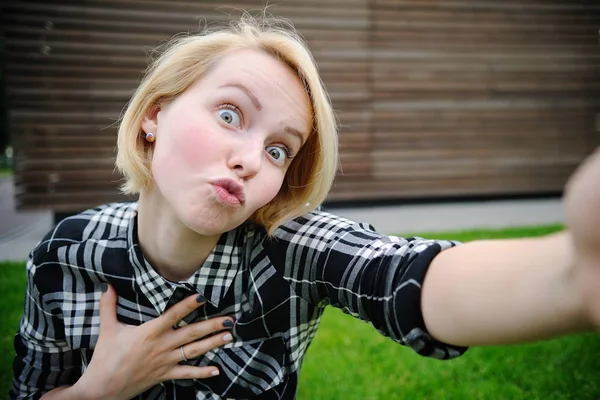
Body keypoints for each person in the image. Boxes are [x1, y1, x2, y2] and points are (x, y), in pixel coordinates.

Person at [10, 13, 600, 400]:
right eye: (229, 113)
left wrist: (574, 273)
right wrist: (99, 389)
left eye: (278, 149)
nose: (249, 158)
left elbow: (404, 276)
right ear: (153, 117)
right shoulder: (65, 256)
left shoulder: (287, 251)